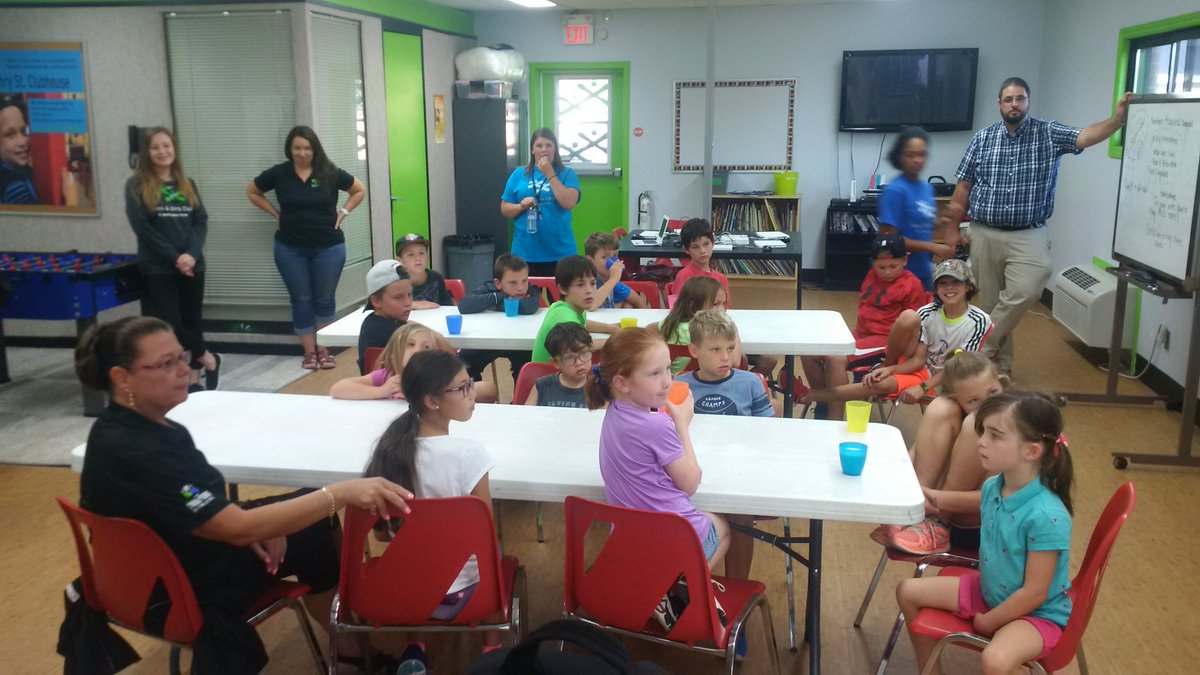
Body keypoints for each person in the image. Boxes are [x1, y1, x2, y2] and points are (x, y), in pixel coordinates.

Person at [74, 316, 412, 674]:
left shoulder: (134, 430)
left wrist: (253, 523)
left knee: (308, 512)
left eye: (181, 357)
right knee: (317, 517)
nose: (184, 369)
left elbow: (188, 505)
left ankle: (346, 638)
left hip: (152, 570)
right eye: (165, 363)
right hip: (177, 588)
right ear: (121, 378)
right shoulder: (138, 450)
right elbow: (233, 527)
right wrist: (340, 493)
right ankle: (348, 644)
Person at [939, 78, 1132, 375]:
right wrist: (952, 229)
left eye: (1020, 98)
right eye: (1008, 99)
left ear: (1028, 101)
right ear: (999, 104)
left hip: (1028, 232)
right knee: (989, 304)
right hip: (984, 231)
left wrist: (1118, 120)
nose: (1014, 104)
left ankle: (978, 348)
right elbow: (964, 186)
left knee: (1026, 291)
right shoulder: (983, 138)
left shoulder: (1048, 132)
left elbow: (1086, 136)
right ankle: (997, 371)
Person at [897, 391, 1074, 675]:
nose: (981, 442)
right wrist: (931, 497)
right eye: (983, 432)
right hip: (990, 591)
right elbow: (978, 501)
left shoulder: (1047, 516)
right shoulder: (996, 484)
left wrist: (990, 621)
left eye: (994, 435)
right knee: (907, 591)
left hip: (1035, 615)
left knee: (996, 660)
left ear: (1031, 451)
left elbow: (1035, 592)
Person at [585, 327, 731, 632]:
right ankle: (666, 587)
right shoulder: (657, 425)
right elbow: (690, 483)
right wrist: (681, 423)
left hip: (628, 542)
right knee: (722, 526)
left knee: (703, 521)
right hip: (669, 538)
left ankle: (656, 584)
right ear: (622, 383)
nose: (667, 380)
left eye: (668, 369)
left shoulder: (614, 411)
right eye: (654, 374)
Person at [364, 349, 502, 665]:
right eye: (463, 387)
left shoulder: (390, 451)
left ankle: (416, 647)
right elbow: (484, 535)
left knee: (418, 552)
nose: (472, 393)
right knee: (491, 552)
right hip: (465, 595)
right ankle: (492, 646)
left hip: (406, 590)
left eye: (471, 383)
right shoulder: (469, 454)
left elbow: (383, 535)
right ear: (431, 400)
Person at [247, 125, 366, 370]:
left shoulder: (328, 172)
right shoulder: (280, 174)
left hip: (328, 248)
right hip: (290, 247)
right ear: (290, 150)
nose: (302, 153)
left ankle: (325, 350)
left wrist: (343, 212)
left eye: (307, 148)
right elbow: (252, 190)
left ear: (315, 149)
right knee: (301, 299)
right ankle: (309, 353)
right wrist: (274, 213)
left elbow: (358, 189)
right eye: (297, 148)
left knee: (324, 299)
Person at [800, 258, 992, 407]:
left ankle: (815, 395)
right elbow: (918, 360)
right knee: (879, 380)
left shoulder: (979, 320)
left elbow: (959, 367)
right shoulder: (927, 313)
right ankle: (816, 398)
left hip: (952, 380)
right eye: (943, 283)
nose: (949, 288)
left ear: (968, 286)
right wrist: (888, 369)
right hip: (922, 372)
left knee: (878, 385)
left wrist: (923, 387)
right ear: (936, 288)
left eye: (956, 282)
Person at [674, 309, 772, 595]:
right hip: (696, 471)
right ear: (694, 350)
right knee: (692, 515)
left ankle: (737, 591)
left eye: (730, 348)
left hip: (740, 469)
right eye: (715, 349)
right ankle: (689, 588)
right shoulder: (681, 385)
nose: (725, 357)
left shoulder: (750, 382)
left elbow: (769, 432)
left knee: (740, 515)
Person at [873, 351, 1007, 555]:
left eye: (993, 392)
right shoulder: (952, 411)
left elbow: (1006, 496)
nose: (987, 404)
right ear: (959, 401)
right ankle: (916, 512)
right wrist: (903, 493)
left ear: (1001, 381)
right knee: (939, 407)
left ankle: (937, 520)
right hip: (932, 508)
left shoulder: (1020, 422)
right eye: (973, 401)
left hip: (987, 526)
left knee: (977, 421)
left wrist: (939, 502)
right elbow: (916, 453)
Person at [125, 127, 220, 393]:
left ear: (174, 149)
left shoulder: (186, 184)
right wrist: (175, 257)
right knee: (170, 324)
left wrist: (190, 254)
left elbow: (200, 221)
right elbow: (143, 228)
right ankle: (209, 358)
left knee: (192, 322)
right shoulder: (136, 186)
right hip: (158, 268)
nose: (162, 151)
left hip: (193, 264)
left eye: (166, 146)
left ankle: (193, 380)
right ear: (147, 152)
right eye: (156, 147)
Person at [801, 234, 928, 421]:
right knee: (808, 350)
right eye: (881, 267)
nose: (886, 272)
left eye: (893, 266)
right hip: (861, 335)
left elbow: (915, 326)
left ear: (905, 260)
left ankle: (833, 420)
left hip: (885, 340)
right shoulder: (871, 275)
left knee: (836, 358)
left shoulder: (912, 285)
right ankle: (824, 405)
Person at [878, 127, 954, 291]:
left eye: (922, 154)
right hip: (898, 274)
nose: (917, 160)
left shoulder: (926, 188)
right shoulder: (895, 191)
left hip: (923, 270)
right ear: (900, 157)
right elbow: (890, 240)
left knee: (924, 316)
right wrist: (932, 247)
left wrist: (941, 221)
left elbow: (918, 225)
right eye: (911, 155)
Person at [500, 128, 581, 277]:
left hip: (560, 252)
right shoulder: (519, 174)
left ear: (555, 149)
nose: (544, 150)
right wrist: (521, 206)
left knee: (561, 298)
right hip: (525, 252)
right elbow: (505, 209)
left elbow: (569, 203)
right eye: (539, 145)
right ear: (532, 149)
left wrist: (549, 173)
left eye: (549, 145)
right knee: (526, 297)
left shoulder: (567, 174)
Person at [458, 254, 542, 384]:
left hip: (520, 342)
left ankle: (519, 401)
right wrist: (502, 296)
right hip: (489, 339)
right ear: (497, 283)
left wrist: (492, 304)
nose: (520, 288)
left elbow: (529, 307)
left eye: (524, 281)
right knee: (465, 358)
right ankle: (474, 398)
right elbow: (465, 305)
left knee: (528, 361)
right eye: (513, 283)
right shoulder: (488, 287)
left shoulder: (532, 289)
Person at [530, 256, 618, 364]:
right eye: (580, 285)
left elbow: (581, 323)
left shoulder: (569, 307)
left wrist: (610, 328)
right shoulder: (564, 314)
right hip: (549, 377)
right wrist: (617, 340)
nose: (589, 291)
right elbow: (579, 346)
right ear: (563, 289)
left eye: (593, 283)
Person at [332, 322, 449, 401]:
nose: (417, 351)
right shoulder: (386, 377)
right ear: (395, 353)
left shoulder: (438, 378)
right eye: (410, 344)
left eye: (426, 347)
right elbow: (337, 389)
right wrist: (381, 391)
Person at [648, 276, 730, 376]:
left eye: (724, 303)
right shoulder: (708, 331)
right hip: (704, 381)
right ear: (693, 304)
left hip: (672, 380)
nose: (721, 310)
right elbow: (735, 361)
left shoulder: (672, 323)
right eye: (715, 304)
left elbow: (650, 328)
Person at [357, 259, 413, 375]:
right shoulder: (398, 332)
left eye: (410, 295)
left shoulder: (371, 322)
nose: (408, 302)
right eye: (398, 297)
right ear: (376, 301)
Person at [525, 322, 592, 408]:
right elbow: (526, 418)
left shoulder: (599, 388)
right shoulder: (542, 386)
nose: (579, 362)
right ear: (555, 363)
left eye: (584, 353)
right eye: (569, 358)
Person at [583, 231, 647, 309]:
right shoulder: (585, 282)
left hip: (605, 319)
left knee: (628, 305)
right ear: (590, 260)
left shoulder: (611, 282)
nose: (613, 261)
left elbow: (638, 301)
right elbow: (590, 306)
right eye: (605, 257)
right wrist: (613, 279)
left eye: (615, 255)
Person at [672, 218, 731, 302]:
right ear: (686, 250)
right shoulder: (683, 276)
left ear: (713, 243)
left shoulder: (721, 279)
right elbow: (677, 309)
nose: (702, 251)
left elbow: (726, 309)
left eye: (706, 244)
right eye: (695, 247)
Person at [396, 233, 453, 309]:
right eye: (411, 254)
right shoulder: (395, 282)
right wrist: (413, 304)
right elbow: (385, 308)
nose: (418, 258)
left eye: (421, 253)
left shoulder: (436, 278)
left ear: (427, 257)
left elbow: (448, 307)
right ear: (400, 261)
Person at [0, 94, 38, 204]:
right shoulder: (16, 188)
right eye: (9, 134)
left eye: (23, 131)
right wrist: (71, 201)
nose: (22, 142)